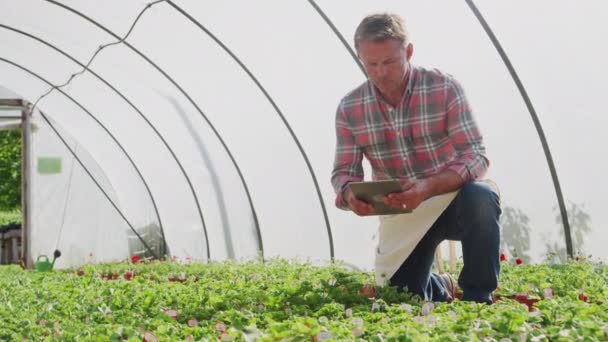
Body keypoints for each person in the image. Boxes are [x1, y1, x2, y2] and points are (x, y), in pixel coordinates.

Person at [331, 13, 501, 304]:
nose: (381, 73)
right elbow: (343, 172)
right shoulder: (350, 108)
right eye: (371, 64)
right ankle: (438, 286)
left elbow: (476, 156)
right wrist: (349, 194)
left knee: (482, 197)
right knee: (399, 300)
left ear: (408, 52)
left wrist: (427, 187)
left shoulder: (444, 88)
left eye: (389, 62)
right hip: (400, 211)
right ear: (360, 57)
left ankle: (478, 298)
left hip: (450, 199)